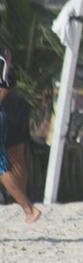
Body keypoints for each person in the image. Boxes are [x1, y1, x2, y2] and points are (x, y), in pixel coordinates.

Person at [0, 49, 41, 223]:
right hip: (15, 103)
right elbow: (8, 77)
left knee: (2, 166)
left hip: (4, 106)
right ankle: (21, 199)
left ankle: (27, 207)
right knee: (17, 158)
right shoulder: (4, 52)